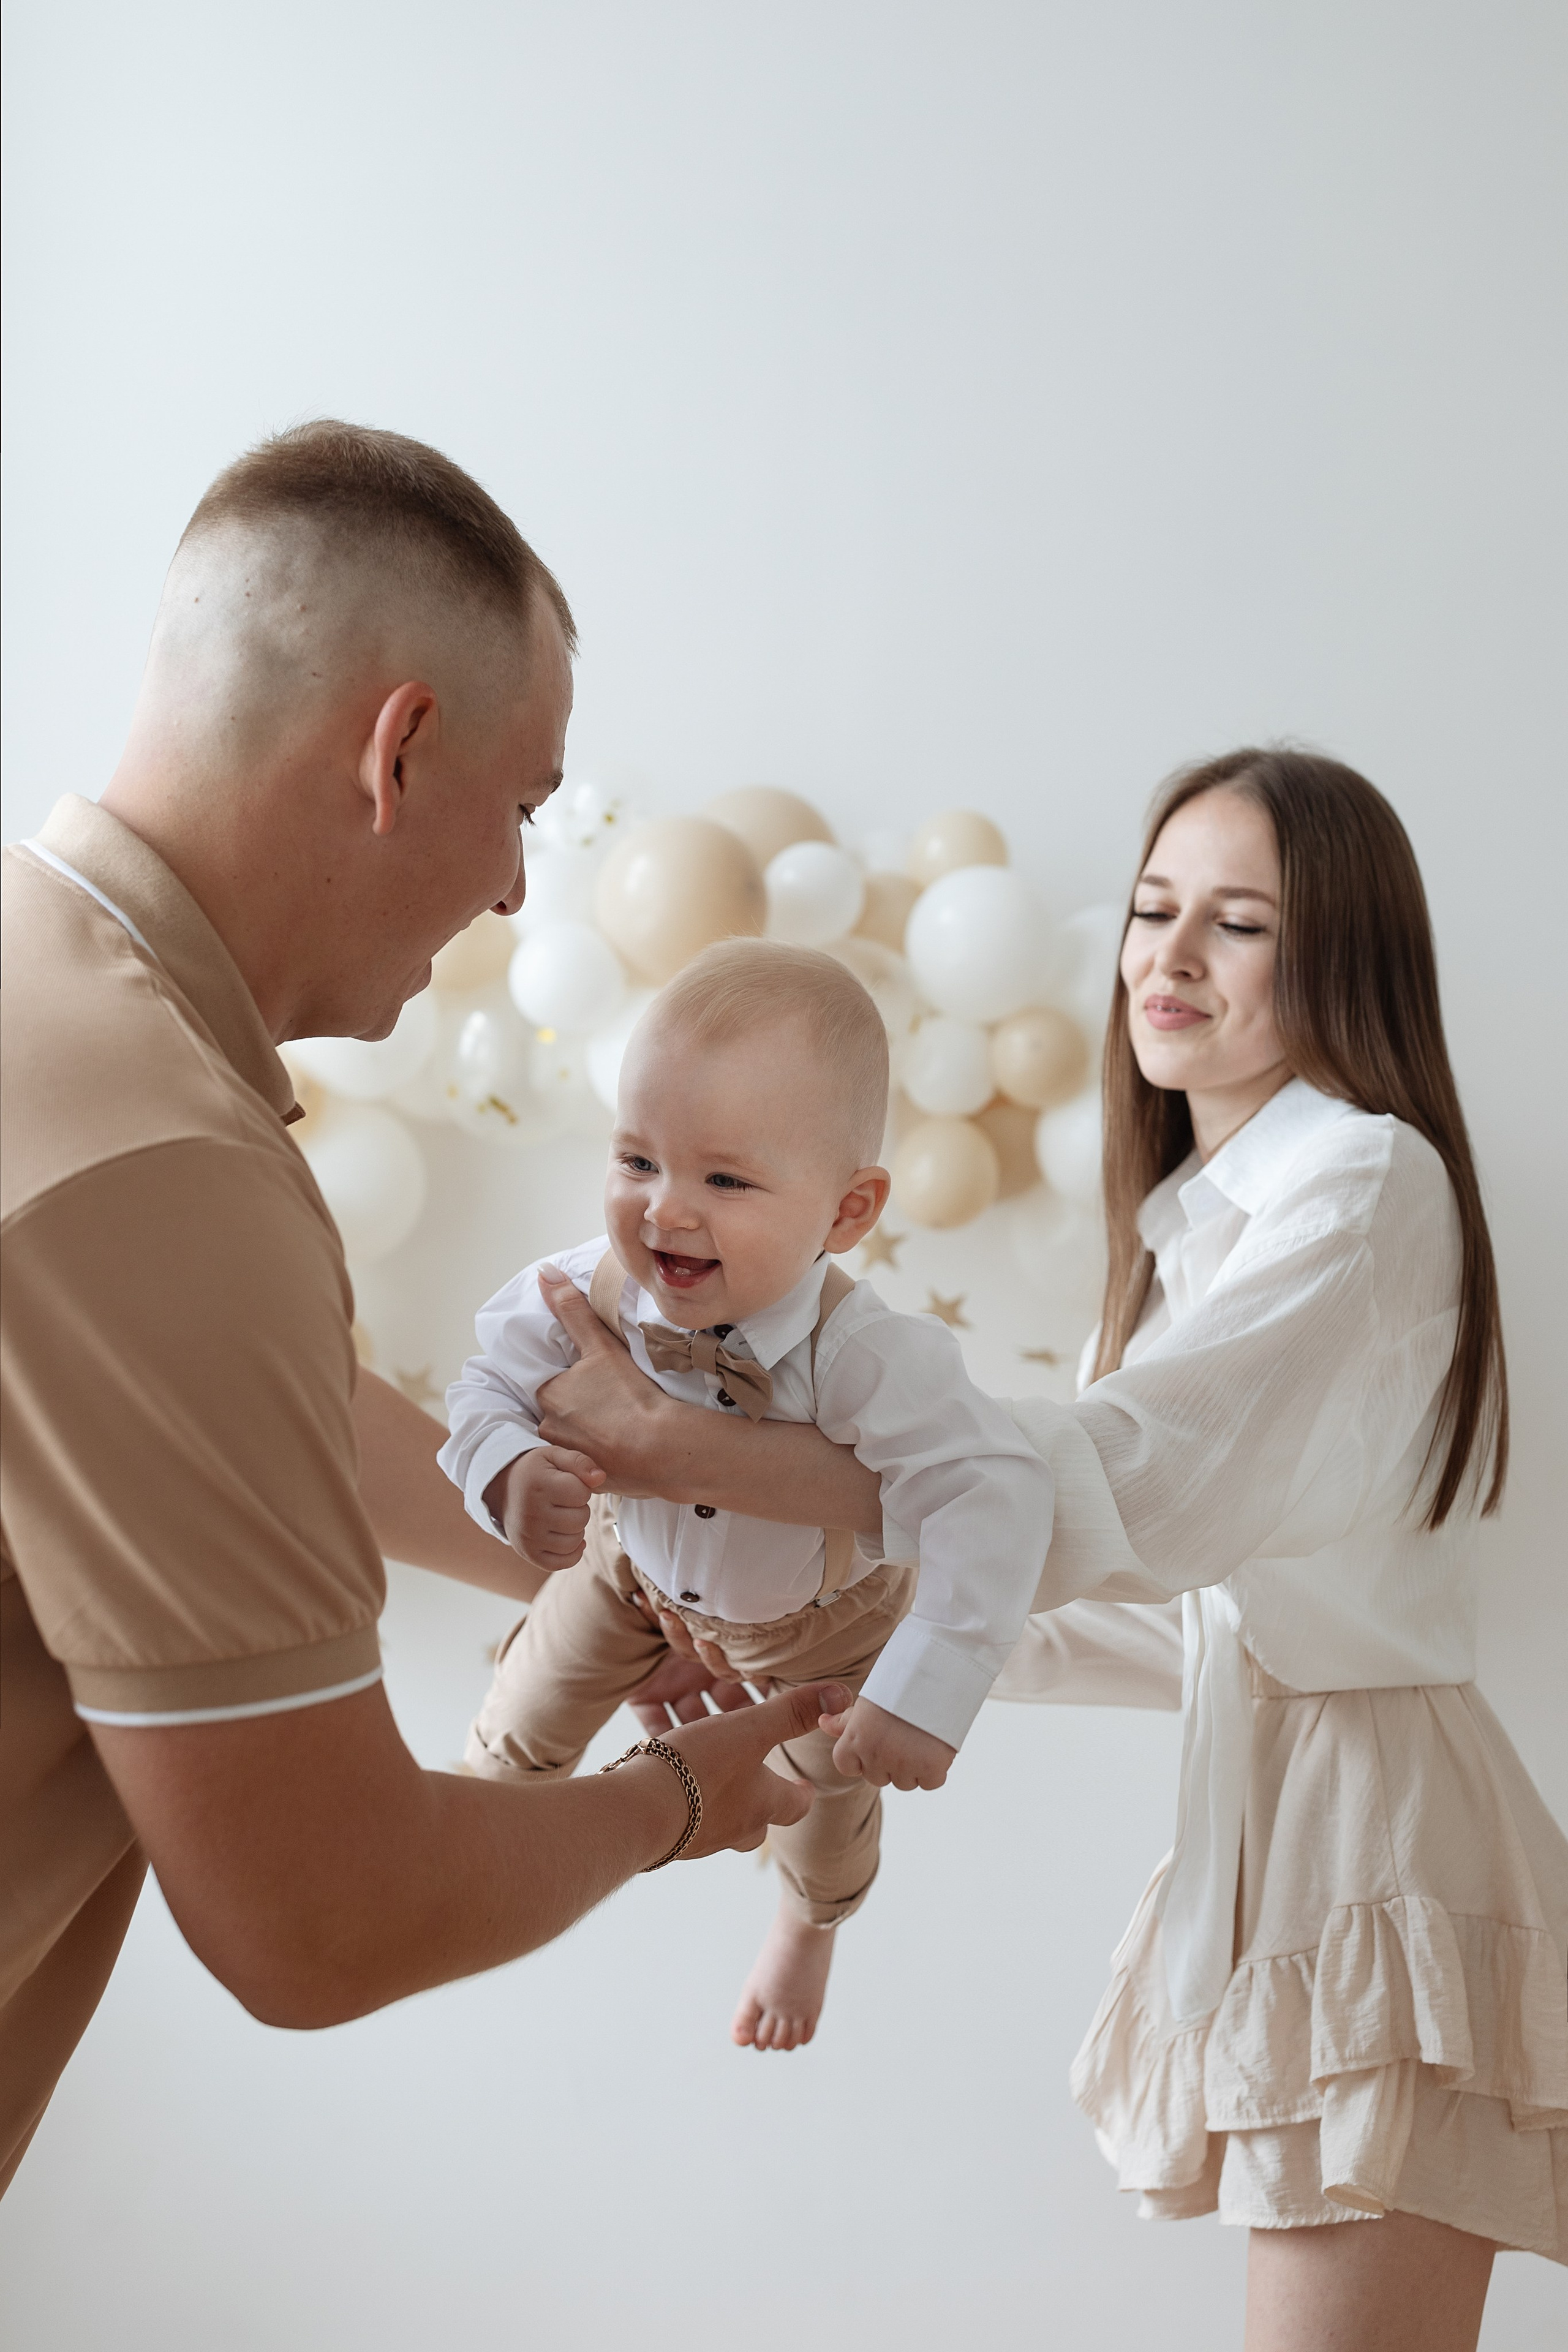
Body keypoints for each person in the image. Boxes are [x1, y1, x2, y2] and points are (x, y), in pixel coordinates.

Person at [521, 750, 1567, 2351]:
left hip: (1371, 1838)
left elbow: (1120, 1488)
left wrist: (694, 1453)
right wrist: (832, 1633)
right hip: (1294, 1813)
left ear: (1342, 955)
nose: (1169, 957)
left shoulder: (1361, 1185)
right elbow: (1169, 1613)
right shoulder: (1191, 1234)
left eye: (1237, 924)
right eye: (1154, 911)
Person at [0, 421, 888, 2192]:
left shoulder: (55, 1024)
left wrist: (622, 1561)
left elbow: (237, 1424)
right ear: (399, 749)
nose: (510, 890)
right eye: (530, 809)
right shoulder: (162, 1169)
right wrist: (681, 1804)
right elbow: (322, 1924)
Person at [440, 938, 1050, 2049]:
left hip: (822, 1628)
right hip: (632, 1571)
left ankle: (811, 1922)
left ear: (848, 1211)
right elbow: (483, 1384)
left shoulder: (866, 1354)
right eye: (637, 1160)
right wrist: (506, 1467)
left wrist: (929, 1687)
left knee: (822, 1809)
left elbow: (993, 1490)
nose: (666, 1211)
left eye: (724, 1179)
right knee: (530, 1696)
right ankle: (472, 1831)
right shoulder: (586, 1289)